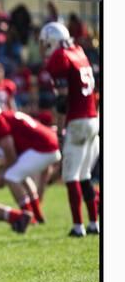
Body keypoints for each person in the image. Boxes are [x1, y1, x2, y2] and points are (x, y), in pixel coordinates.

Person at [40, 22, 99, 236]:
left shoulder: (60, 57)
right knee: (85, 175)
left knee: (71, 176)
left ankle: (78, 226)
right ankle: (94, 223)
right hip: (93, 118)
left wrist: (61, 128)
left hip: (77, 120)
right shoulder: (79, 52)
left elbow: (63, 99)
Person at [0, 97, 61, 224]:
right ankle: (37, 216)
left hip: (44, 148)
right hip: (49, 146)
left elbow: (10, 153)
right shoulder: (6, 116)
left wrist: (1, 175)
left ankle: (29, 218)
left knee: (11, 176)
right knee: (20, 175)